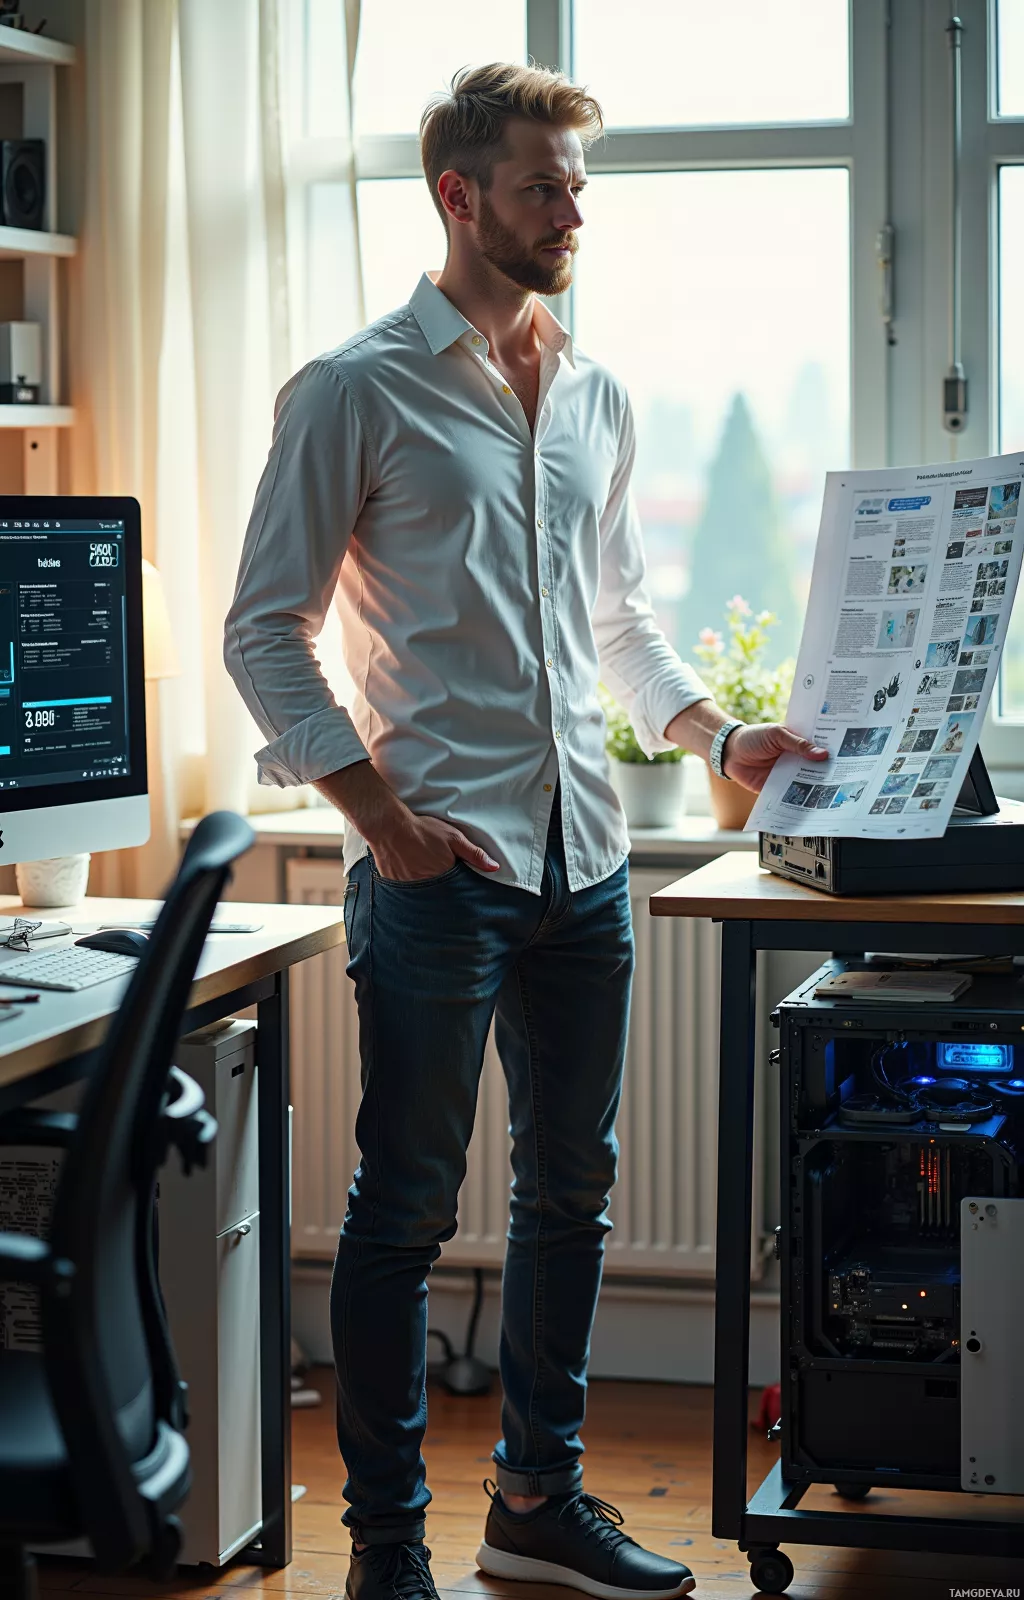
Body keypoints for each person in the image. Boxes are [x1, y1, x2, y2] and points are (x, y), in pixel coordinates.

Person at [225, 61, 826, 1600]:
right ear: (460, 194)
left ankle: (537, 1506)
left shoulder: (599, 394)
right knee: (405, 1207)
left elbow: (620, 625)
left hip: (592, 867)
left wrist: (718, 734)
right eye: (547, 183)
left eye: (579, 185)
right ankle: (384, 1547)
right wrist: (377, 816)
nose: (573, 210)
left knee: (573, 1192)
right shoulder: (356, 388)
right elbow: (264, 630)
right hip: (442, 874)